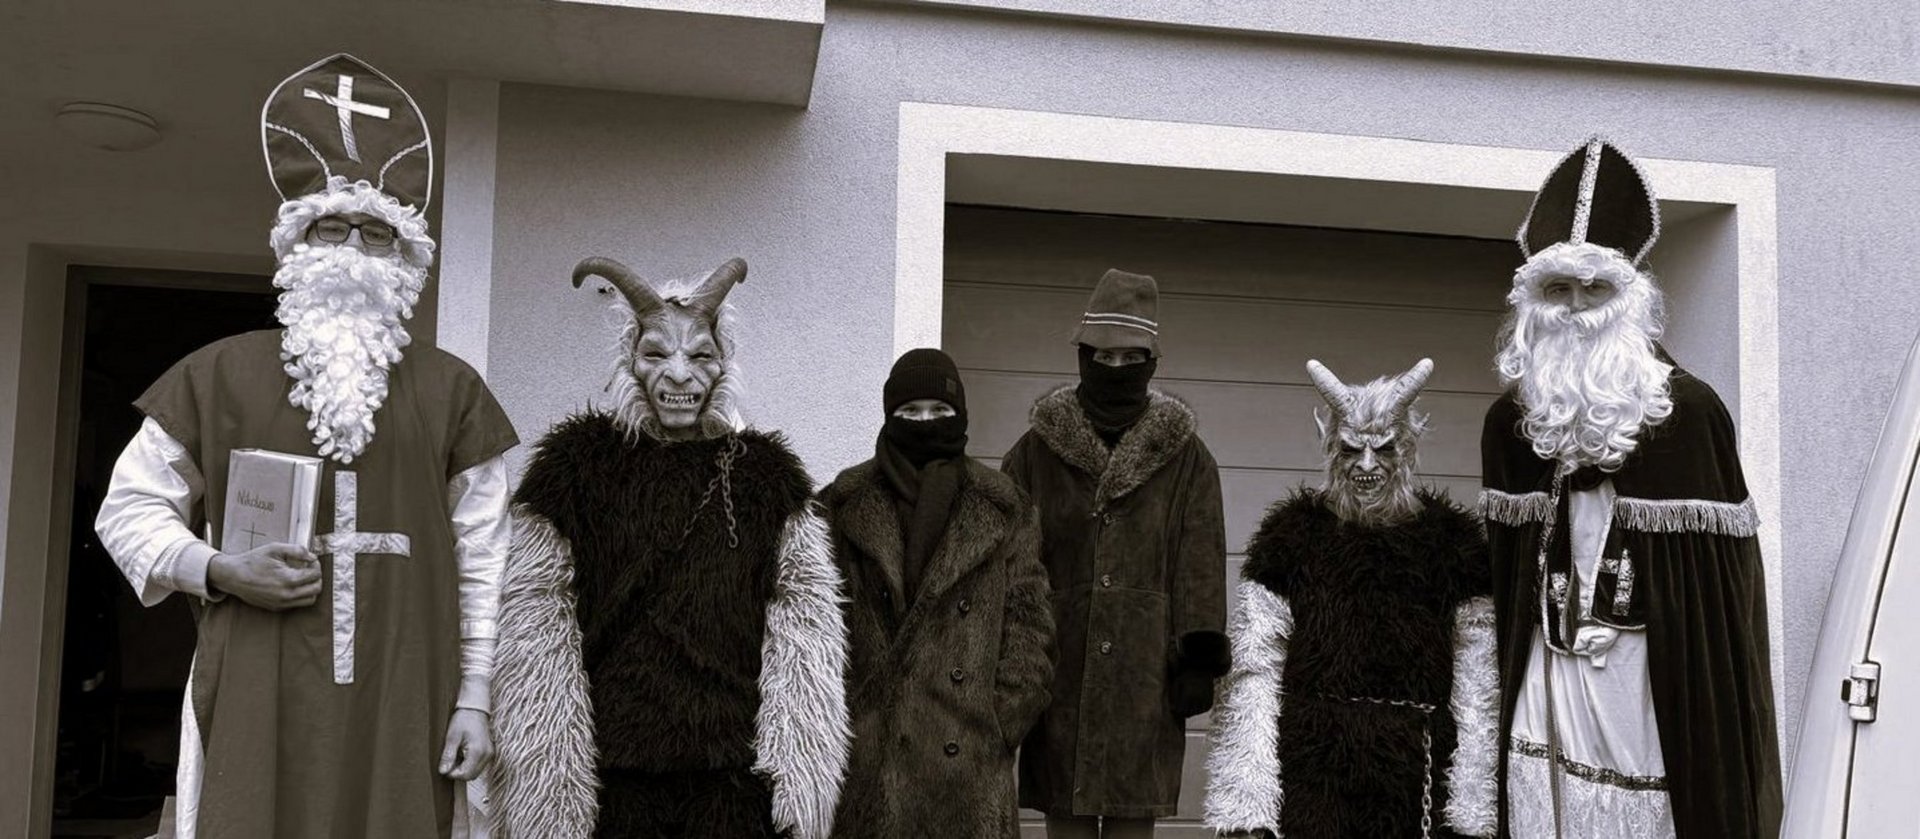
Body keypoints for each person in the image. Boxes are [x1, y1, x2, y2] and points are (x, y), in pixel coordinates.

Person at [92, 53, 518, 838]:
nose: (352, 246)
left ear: (405, 258)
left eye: (377, 233)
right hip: (256, 690)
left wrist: (476, 697)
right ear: (297, 243)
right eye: (331, 225)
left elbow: (485, 554)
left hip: (408, 695)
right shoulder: (215, 376)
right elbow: (128, 511)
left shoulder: (454, 392)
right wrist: (218, 568)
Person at [487, 256, 850, 839]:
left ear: (723, 361)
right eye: (657, 353)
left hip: (731, 779)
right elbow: (536, 616)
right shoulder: (573, 470)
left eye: (700, 356)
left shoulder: (768, 478)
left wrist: (796, 774)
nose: (679, 375)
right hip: (610, 779)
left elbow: (804, 625)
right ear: (630, 358)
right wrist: (549, 783)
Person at [1483, 138, 1782, 838]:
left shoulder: (1690, 414)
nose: (1576, 307)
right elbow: (1506, 584)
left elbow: (1718, 611)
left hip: (1645, 675)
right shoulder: (1511, 424)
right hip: (1548, 673)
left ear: (1630, 298)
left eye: (1596, 289)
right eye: (1558, 289)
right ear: (1533, 303)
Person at [1205, 358, 1498, 839]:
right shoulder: (1290, 538)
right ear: (1330, 447)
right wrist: (1247, 803)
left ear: (1406, 449)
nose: (1366, 465)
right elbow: (1254, 667)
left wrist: (1471, 808)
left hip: (1419, 769)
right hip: (1314, 767)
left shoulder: (1454, 545)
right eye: (1350, 449)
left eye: (1383, 449)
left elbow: (1479, 677)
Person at [1002, 269, 1230, 839]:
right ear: (1083, 356)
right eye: (1104, 356)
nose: (1116, 367)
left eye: (1131, 357)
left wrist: (1198, 659)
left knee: (1132, 819)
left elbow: (1200, 560)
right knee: (1066, 815)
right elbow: (1009, 566)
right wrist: (1013, 660)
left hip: (1145, 674)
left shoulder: (1188, 459)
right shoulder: (1033, 455)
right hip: (1061, 674)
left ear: (1151, 362)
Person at [820, 348, 1055, 839]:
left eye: (939, 410)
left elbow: (1030, 627)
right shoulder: (841, 505)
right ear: (890, 415)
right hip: (870, 766)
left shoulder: (1004, 506)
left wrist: (998, 723)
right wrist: (846, 726)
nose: (926, 422)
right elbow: (815, 629)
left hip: (967, 769)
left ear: (960, 414)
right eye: (910, 411)